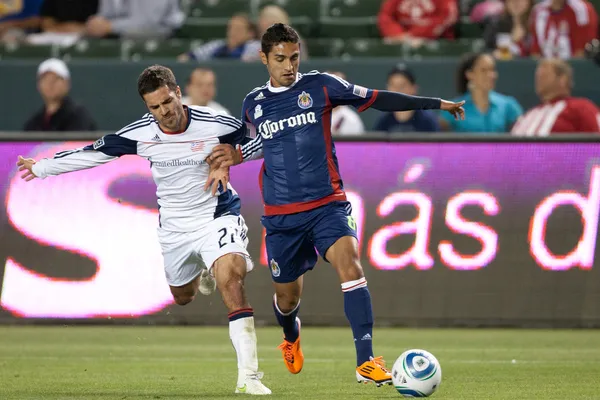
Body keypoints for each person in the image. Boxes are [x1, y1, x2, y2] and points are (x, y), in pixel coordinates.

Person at [204, 23, 464, 386]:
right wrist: (229, 159)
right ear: (263, 58)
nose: (289, 65)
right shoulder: (253, 104)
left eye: (294, 57)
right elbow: (259, 144)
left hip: (328, 203)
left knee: (351, 264)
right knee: (286, 297)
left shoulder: (322, 85)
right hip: (282, 216)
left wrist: (435, 103)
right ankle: (291, 335)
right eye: (280, 59)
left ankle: (366, 361)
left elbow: (377, 97)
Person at [16, 65, 271, 395]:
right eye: (155, 107)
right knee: (182, 297)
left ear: (178, 93)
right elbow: (93, 153)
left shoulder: (216, 123)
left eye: (167, 102)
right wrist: (42, 167)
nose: (164, 112)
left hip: (217, 215)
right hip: (175, 230)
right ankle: (205, 271)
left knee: (232, 277)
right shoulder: (141, 134)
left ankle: (249, 376)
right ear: (147, 108)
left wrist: (235, 156)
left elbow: (266, 141)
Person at [511, 58, 600, 135]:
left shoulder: (581, 108)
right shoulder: (530, 113)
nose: (539, 79)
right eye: (537, 76)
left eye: (544, 75)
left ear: (563, 79)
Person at [439, 52, 523, 133]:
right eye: (483, 70)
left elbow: (524, 132)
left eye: (492, 70)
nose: (491, 75)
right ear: (469, 74)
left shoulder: (508, 105)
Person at [24, 58, 97, 131]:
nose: (50, 84)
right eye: (45, 79)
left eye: (55, 79)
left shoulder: (79, 117)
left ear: (67, 83)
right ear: (39, 85)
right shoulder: (34, 122)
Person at [373, 64, 439, 133]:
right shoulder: (383, 121)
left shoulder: (427, 120)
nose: (397, 90)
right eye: (393, 86)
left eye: (402, 86)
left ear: (414, 88)